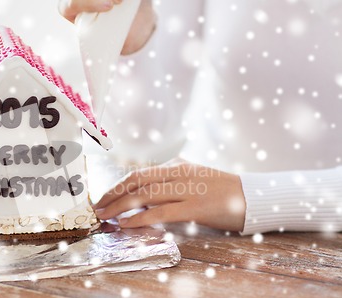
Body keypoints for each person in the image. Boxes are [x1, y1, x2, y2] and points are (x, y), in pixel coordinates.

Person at [59, 0, 342, 234]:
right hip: (202, 220)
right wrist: (126, 40)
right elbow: (143, 136)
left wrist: (246, 196)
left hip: (323, 251)